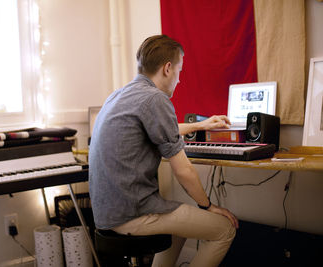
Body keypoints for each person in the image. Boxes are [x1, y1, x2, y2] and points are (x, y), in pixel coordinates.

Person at [89, 34, 239, 267]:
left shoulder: (118, 96)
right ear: (168, 68)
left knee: (180, 226)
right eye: (179, 71)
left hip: (106, 214)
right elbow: (184, 171)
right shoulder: (154, 99)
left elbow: (157, 129)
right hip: (132, 215)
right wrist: (209, 206)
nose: (179, 80)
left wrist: (201, 124)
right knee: (225, 229)